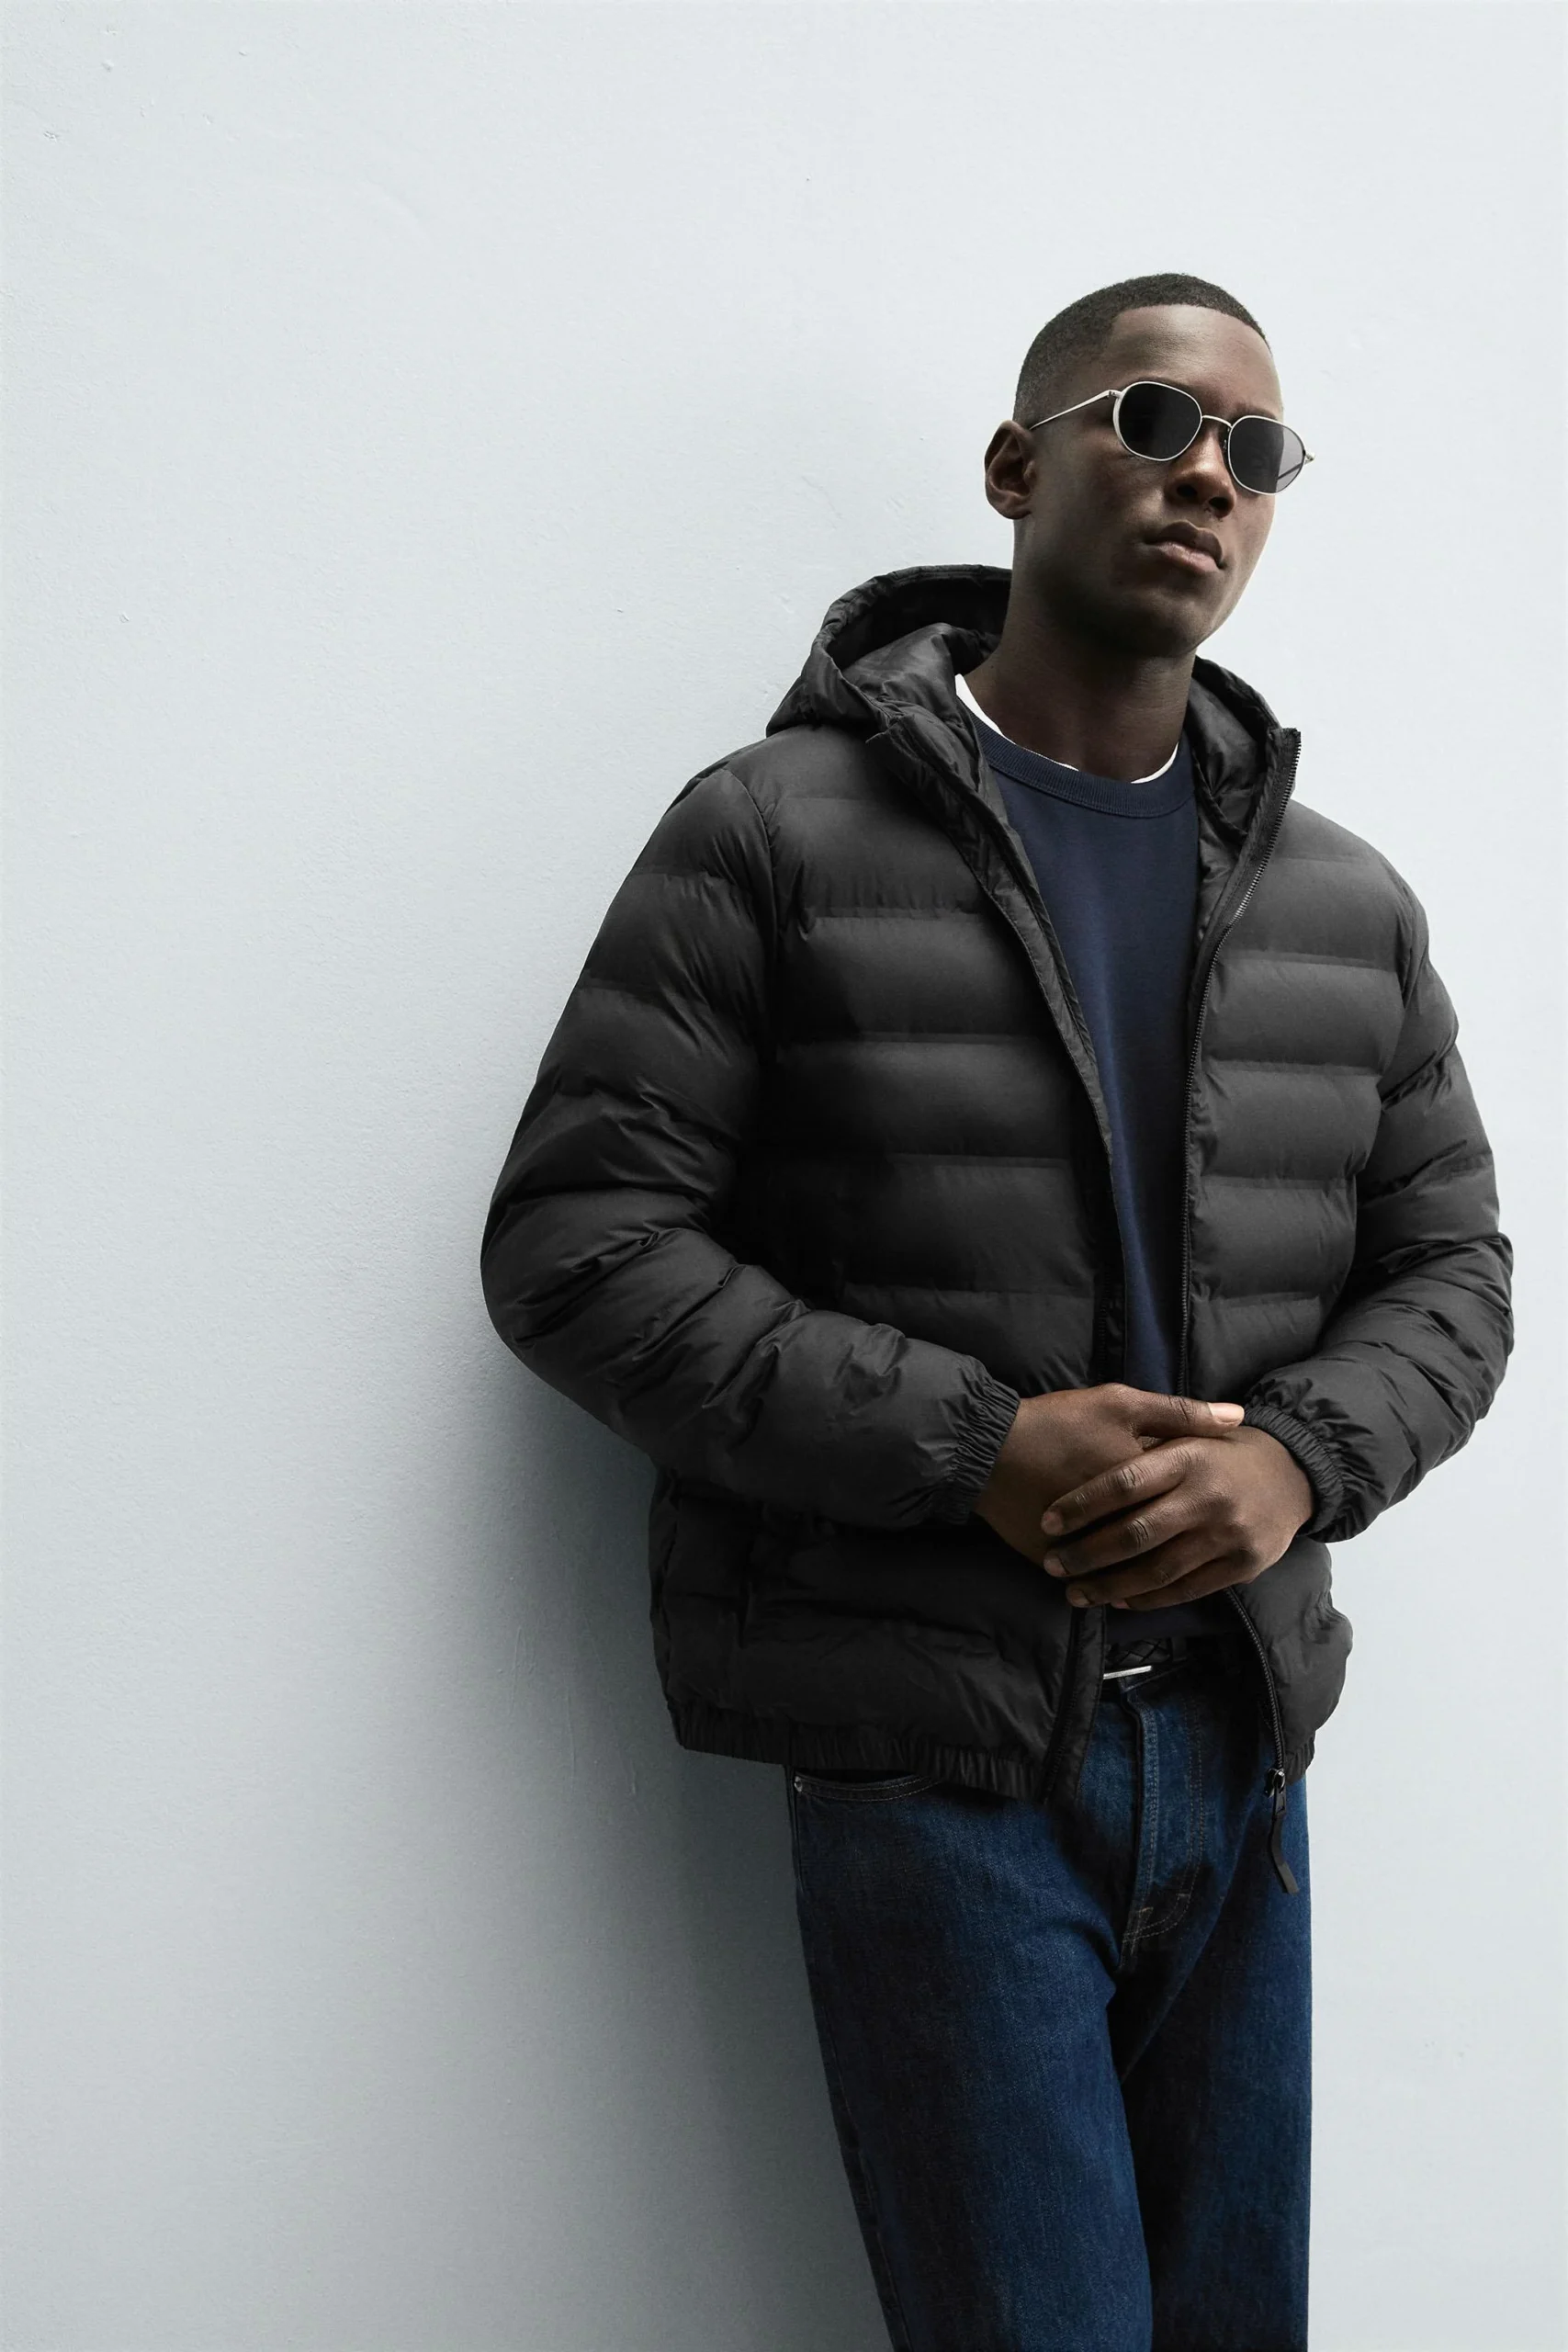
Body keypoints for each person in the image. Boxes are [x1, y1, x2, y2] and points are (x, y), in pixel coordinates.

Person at [479, 272, 1513, 2352]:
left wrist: (1296, 1464)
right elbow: (580, 1245)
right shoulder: (772, 830)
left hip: (1240, 1746)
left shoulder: (1343, 899)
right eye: (1153, 419)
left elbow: (1454, 1274)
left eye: (1254, 451)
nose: (1205, 476)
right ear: (1014, 466)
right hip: (940, 1763)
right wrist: (973, 1447)